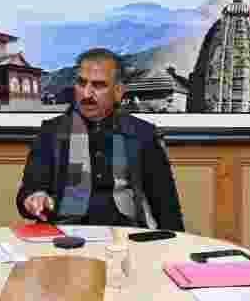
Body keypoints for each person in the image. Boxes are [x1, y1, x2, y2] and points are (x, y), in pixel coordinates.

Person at [17, 47, 184, 230]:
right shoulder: (51, 132)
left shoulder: (143, 134)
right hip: (65, 235)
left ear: (118, 91)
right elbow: (27, 194)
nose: (86, 94)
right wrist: (33, 198)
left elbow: (166, 206)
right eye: (81, 83)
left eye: (98, 85)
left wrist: (175, 243)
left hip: (127, 235)